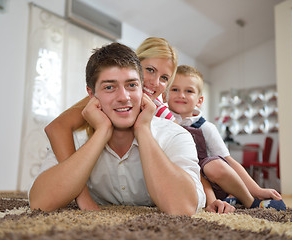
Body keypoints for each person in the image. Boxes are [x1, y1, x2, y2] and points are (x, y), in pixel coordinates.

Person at [28, 43, 206, 216]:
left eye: (131, 85)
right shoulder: (74, 136)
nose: (123, 97)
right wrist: (101, 133)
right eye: (109, 87)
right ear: (91, 94)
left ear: (141, 87)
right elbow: (40, 203)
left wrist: (143, 130)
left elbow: (183, 208)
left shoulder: (174, 134)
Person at [162, 65, 286, 213]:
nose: (181, 95)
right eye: (175, 89)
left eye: (189, 91)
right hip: (178, 181)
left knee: (214, 164)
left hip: (210, 181)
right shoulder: (162, 123)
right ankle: (229, 198)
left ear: (199, 100)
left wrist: (257, 190)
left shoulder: (206, 128)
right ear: (165, 95)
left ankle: (249, 200)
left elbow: (230, 162)